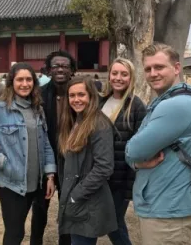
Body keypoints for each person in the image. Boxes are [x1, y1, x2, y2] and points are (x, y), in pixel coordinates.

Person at [125, 43, 191, 245]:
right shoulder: (168, 100)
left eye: (159, 67)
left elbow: (134, 149)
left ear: (177, 68)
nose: (153, 73)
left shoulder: (177, 105)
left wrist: (131, 155)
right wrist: (137, 162)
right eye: (148, 69)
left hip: (169, 210)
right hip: (165, 204)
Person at [0, 62, 57, 245]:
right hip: (11, 182)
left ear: (34, 82)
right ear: (12, 82)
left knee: (39, 224)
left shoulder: (38, 109)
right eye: (20, 79)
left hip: (39, 181)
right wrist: (0, 161)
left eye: (29, 79)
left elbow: (46, 144)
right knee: (15, 233)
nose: (25, 84)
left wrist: (50, 174)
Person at [57, 76, 117, 244]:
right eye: (72, 95)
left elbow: (104, 167)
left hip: (88, 199)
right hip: (77, 197)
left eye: (81, 95)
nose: (76, 99)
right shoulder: (76, 121)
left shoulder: (99, 124)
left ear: (91, 96)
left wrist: (76, 194)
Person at [99, 58, 147, 245]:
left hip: (121, 177)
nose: (118, 78)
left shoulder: (136, 106)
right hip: (99, 174)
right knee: (106, 220)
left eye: (124, 74)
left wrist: (131, 184)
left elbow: (140, 146)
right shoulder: (99, 101)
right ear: (109, 75)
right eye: (115, 73)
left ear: (131, 78)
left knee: (114, 222)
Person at [32, 50, 77, 245]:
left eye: (65, 66)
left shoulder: (79, 95)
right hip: (45, 162)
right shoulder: (38, 95)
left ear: (72, 71)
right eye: (56, 66)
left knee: (67, 207)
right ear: (48, 70)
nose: (60, 69)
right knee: (40, 207)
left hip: (72, 161)